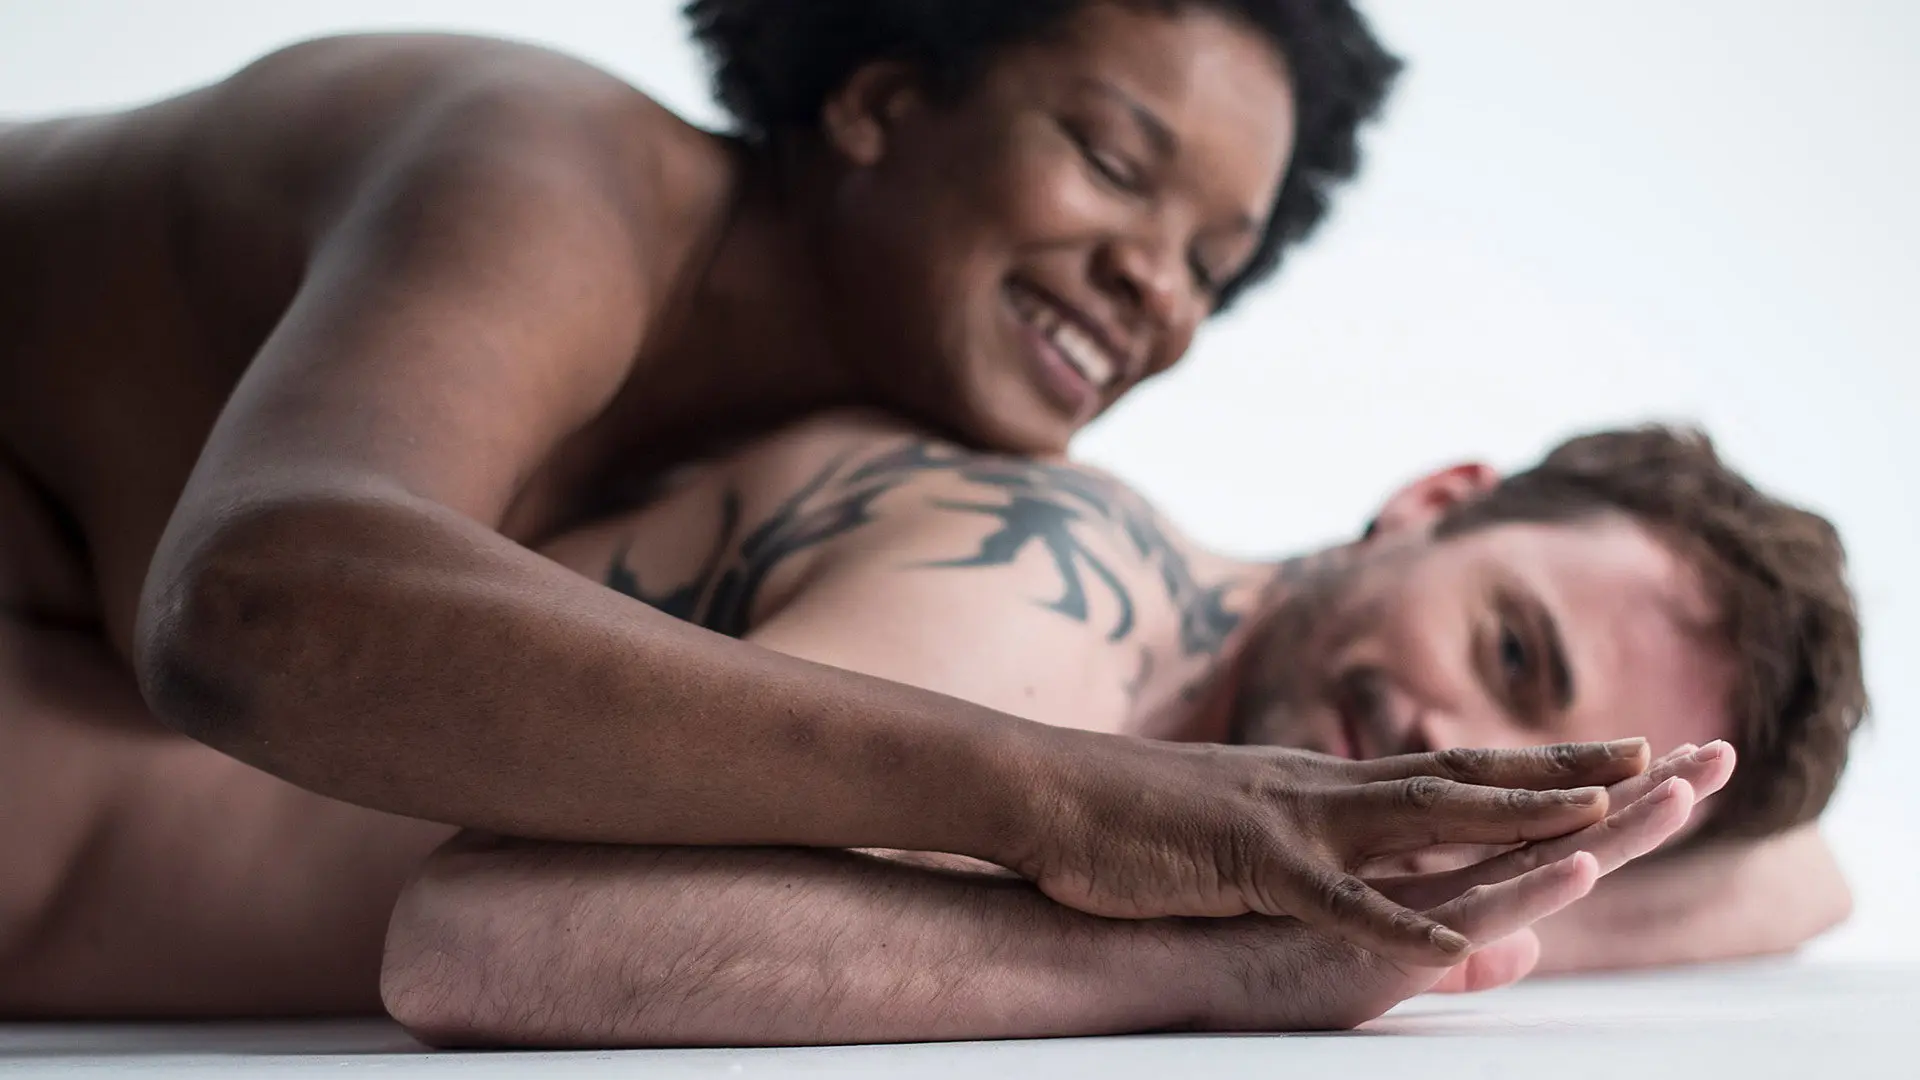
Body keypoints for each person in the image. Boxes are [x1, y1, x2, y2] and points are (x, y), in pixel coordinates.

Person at [0, 1, 1639, 965]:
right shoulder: (541, 168)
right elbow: (255, 606)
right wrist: (1065, 797)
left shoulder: (867, 443)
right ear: (879, 94)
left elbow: (1804, 872)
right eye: (1116, 165)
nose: (1159, 291)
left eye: (1215, 263)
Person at [0, 411, 1863, 1040]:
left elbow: (1808, 884)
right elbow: (482, 938)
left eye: (1541, 767)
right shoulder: (1064, 592)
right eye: (1514, 654)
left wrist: (1519, 871)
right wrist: (1230, 967)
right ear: (1434, 493)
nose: (1446, 732)